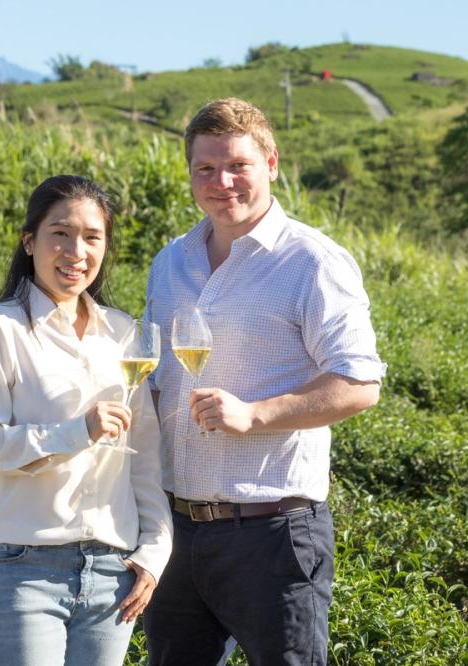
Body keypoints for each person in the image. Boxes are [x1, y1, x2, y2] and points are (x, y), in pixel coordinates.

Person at [143, 98, 385, 665]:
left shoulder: (313, 261)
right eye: (205, 168)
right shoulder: (170, 262)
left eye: (238, 166)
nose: (221, 182)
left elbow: (360, 382)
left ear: (271, 164)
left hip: (272, 534)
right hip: (176, 528)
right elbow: (158, 381)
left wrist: (255, 415)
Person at [0, 175, 172, 666]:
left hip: (112, 569)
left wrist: (155, 552)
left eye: (92, 237)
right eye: (60, 234)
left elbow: (144, 457)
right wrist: (77, 432)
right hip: (23, 567)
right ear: (29, 241)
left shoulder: (122, 333)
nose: (76, 251)